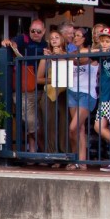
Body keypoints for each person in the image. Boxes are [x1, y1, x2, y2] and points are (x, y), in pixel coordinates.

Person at [1, 18, 48, 152]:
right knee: (31, 121)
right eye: (33, 30)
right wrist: (7, 42)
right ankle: (44, 151)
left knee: (39, 122)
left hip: (42, 88)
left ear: (44, 31)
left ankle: (33, 151)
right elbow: (11, 43)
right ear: (29, 31)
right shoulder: (24, 39)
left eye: (38, 31)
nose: (35, 33)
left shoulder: (46, 45)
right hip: (26, 88)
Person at [68, 25, 97, 167]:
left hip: (86, 93)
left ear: (85, 38)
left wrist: (69, 55)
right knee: (80, 128)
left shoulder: (92, 52)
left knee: (73, 128)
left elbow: (82, 60)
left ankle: (76, 158)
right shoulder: (73, 52)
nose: (75, 37)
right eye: (74, 35)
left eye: (78, 35)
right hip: (72, 91)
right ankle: (80, 161)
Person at [41, 26, 72, 157]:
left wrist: (62, 56)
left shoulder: (68, 55)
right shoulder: (46, 58)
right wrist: (53, 80)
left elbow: (72, 71)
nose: (54, 40)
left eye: (56, 37)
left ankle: (65, 154)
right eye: (51, 38)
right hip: (49, 93)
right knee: (50, 125)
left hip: (64, 93)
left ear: (62, 40)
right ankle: (52, 155)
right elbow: (38, 79)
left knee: (65, 124)